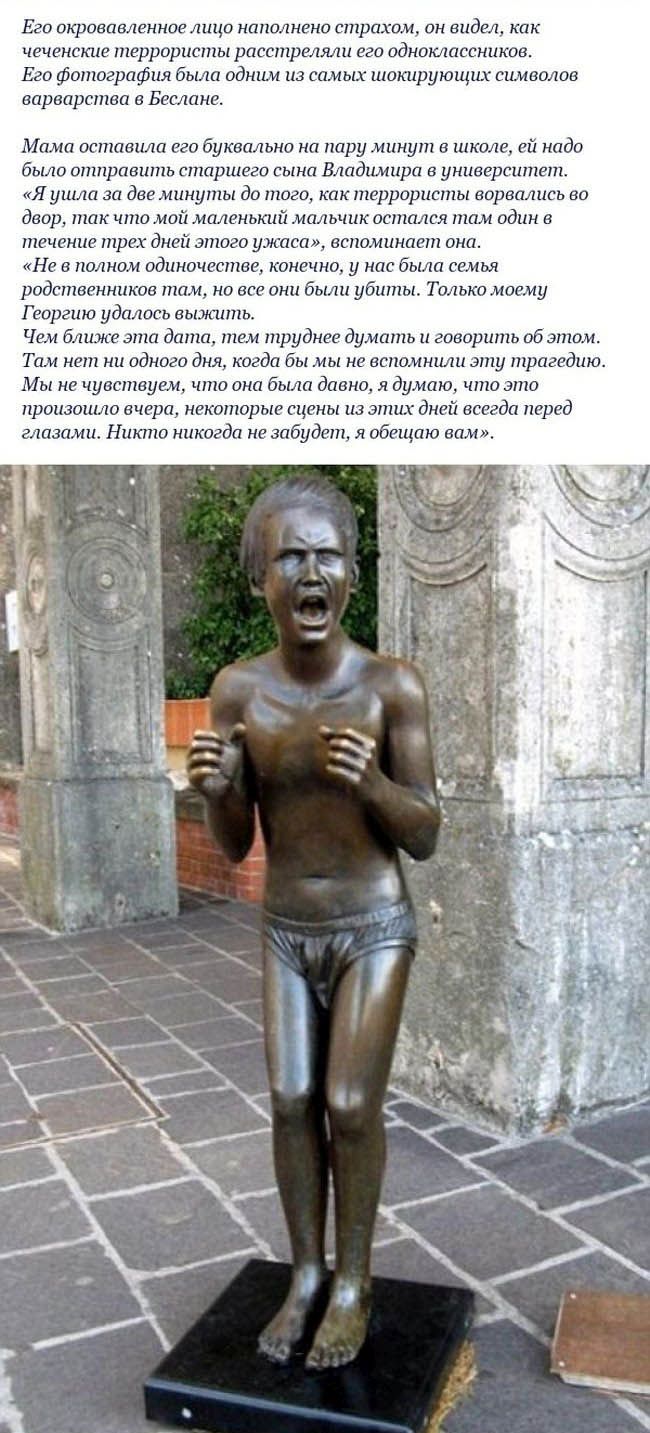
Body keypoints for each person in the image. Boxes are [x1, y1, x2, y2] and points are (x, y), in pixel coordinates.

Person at [186, 475, 439, 1370]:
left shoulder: (390, 686)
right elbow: (233, 841)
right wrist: (216, 790)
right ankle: (305, 1273)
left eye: (326, 555)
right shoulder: (238, 692)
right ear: (259, 577)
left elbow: (426, 832)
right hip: (286, 928)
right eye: (289, 556)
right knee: (291, 1099)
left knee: (350, 1102)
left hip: (372, 923)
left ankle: (355, 1280)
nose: (309, 572)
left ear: (353, 575)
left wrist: (372, 782)